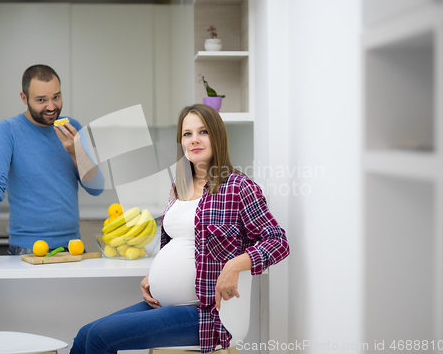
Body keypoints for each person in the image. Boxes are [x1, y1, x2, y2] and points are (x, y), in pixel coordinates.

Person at [70, 104, 289, 354]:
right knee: (85, 334)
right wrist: (154, 277)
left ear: (217, 136)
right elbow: (178, 243)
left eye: (203, 132)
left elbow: (277, 241)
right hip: (164, 304)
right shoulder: (179, 185)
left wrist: (234, 265)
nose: (194, 140)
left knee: (100, 336)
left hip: (206, 314)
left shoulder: (239, 187)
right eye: (187, 134)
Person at [0, 65, 104, 271]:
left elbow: (97, 188)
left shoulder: (71, 128)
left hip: (73, 249)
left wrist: (76, 152)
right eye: (41, 100)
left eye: (56, 97)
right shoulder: (7, 130)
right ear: (24, 98)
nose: (51, 106)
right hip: (26, 252)